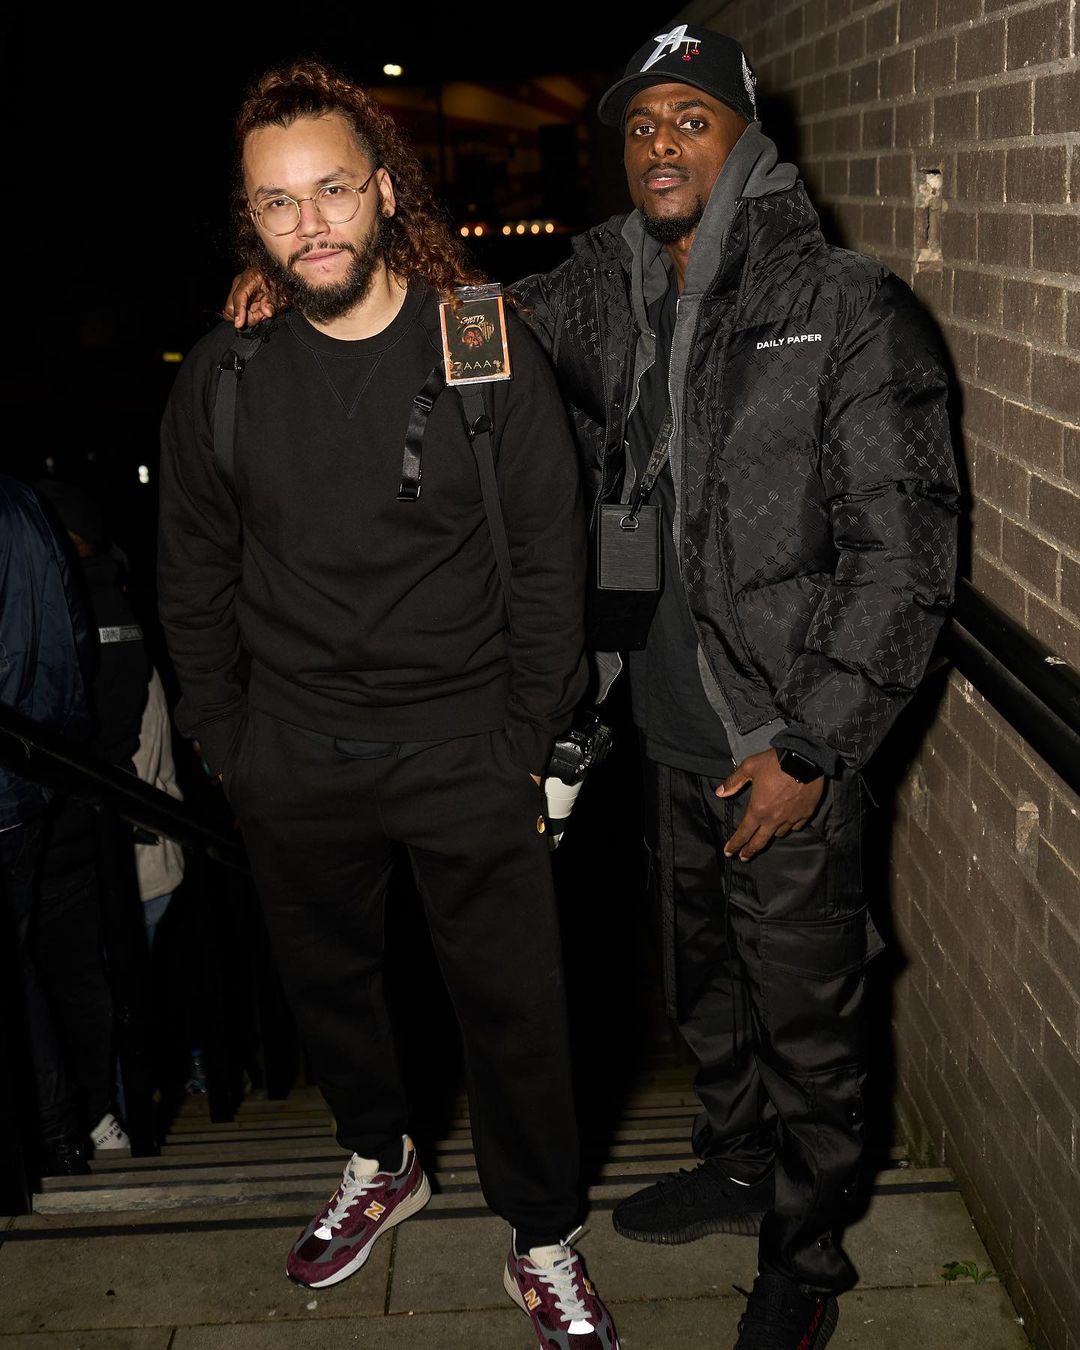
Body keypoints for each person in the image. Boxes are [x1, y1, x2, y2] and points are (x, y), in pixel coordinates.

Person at [224, 31, 959, 1349]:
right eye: (640, 125)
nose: (661, 143)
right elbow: (459, 323)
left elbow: (905, 560)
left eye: (691, 118)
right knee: (705, 990)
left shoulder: (845, 304)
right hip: (660, 725)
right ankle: (736, 1161)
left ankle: (807, 1260)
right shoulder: (606, 283)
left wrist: (815, 746)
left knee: (809, 1019)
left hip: (782, 738)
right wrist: (302, 282)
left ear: (747, 136)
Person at [158, 59, 617, 1349]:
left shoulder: (481, 341)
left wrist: (525, 736)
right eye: (277, 202)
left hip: (470, 742)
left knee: (517, 1012)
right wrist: (229, 739)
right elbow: (191, 573)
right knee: (330, 989)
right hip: (294, 748)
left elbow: (551, 555)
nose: (309, 224)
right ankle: (382, 1158)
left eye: (332, 191)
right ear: (250, 220)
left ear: (385, 191)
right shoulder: (225, 373)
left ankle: (542, 1237)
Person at [0, 475, 95, 1176]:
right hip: (27, 774)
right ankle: (54, 1137)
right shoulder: (24, 502)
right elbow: (74, 637)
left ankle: (48, 1139)